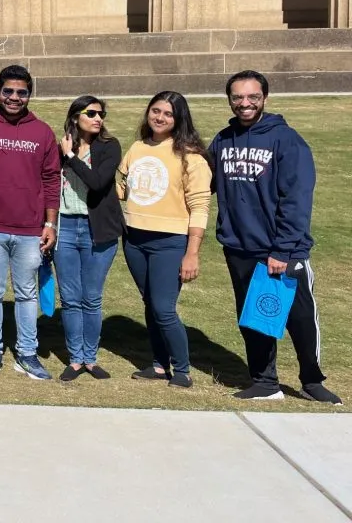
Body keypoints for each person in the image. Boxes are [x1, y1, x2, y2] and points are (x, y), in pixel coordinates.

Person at [208, 71, 342, 405]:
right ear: (230, 100)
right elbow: (204, 181)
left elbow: (296, 200)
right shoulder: (222, 140)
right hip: (239, 247)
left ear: (265, 97)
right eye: (238, 97)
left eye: (252, 96)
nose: (245, 103)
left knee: (299, 319)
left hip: (283, 251)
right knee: (254, 317)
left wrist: (282, 249)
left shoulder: (287, 140)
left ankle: (312, 381)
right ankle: (265, 382)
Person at [0, 65, 60, 379]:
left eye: (21, 92)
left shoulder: (42, 132)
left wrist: (50, 224)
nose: (14, 97)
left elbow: (51, 180)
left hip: (29, 230)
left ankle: (27, 353)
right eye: (8, 91)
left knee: (26, 294)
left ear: (29, 95)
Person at [117, 91, 210, 389]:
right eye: (155, 111)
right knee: (150, 305)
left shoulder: (191, 157)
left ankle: (182, 369)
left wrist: (192, 252)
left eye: (168, 114)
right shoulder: (137, 148)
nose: (159, 117)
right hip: (134, 239)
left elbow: (200, 207)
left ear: (179, 118)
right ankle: (159, 365)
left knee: (163, 307)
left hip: (170, 242)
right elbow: (121, 186)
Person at [54, 96, 124, 381]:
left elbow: (97, 183)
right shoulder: (59, 148)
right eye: (91, 113)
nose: (98, 118)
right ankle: (75, 359)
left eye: (101, 114)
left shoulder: (109, 147)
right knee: (70, 298)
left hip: (98, 230)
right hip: (66, 228)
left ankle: (90, 359)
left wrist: (71, 156)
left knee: (91, 298)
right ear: (76, 116)